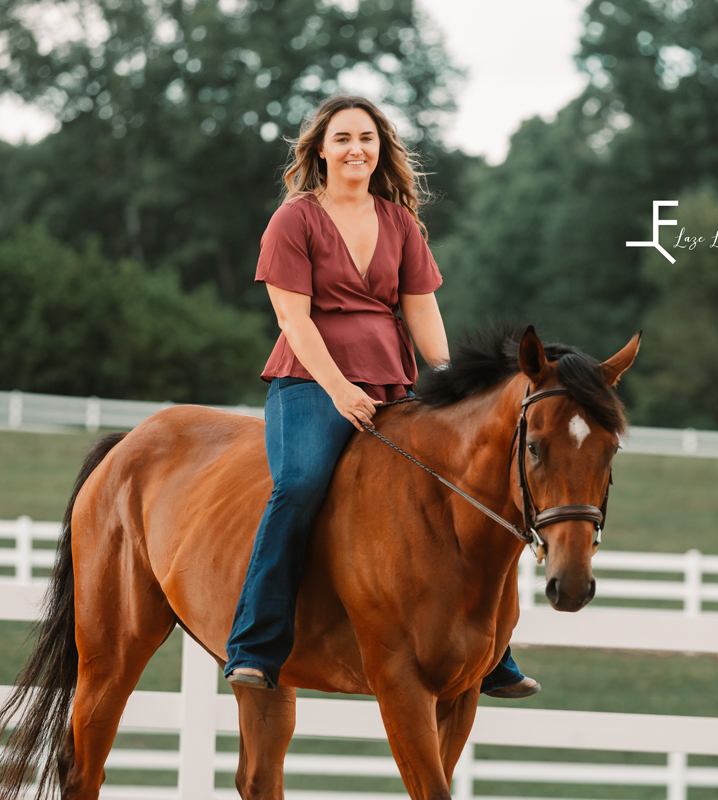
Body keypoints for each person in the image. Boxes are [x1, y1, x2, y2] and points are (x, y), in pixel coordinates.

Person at [223, 94, 539, 700]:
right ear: (320, 148)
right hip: (312, 383)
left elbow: (422, 310)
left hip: (394, 382)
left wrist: (454, 391)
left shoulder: (399, 223)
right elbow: (293, 319)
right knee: (300, 487)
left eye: (365, 138)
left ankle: (491, 651)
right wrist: (339, 390)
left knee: (458, 487)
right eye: (341, 138)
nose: (355, 149)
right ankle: (255, 645)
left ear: (380, 149)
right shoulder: (294, 220)